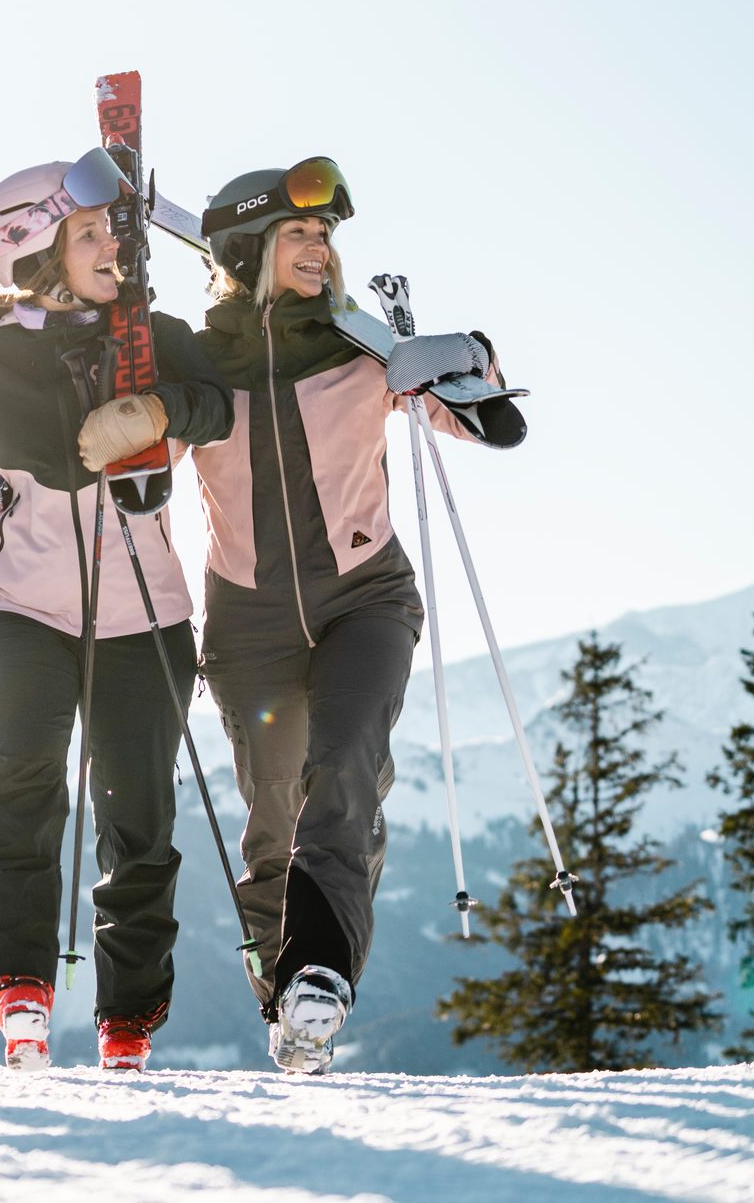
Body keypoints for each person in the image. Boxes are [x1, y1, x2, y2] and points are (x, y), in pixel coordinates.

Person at [0, 150, 233, 1071]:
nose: (113, 246)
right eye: (89, 233)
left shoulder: (155, 333)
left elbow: (219, 405)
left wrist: (158, 409)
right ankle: (21, 986)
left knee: (139, 817)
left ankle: (127, 1021)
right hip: (18, 611)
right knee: (24, 785)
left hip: (148, 614)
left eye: (114, 231)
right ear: (33, 256)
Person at [190, 158, 524, 1073]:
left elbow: (496, 424)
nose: (320, 249)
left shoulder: (361, 345)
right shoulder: (195, 360)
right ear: (247, 250)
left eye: (326, 234)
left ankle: (322, 976)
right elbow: (131, 460)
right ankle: (284, 1001)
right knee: (271, 816)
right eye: (298, 233)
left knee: (344, 774)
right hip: (247, 619)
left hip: (366, 597)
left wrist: (465, 355)